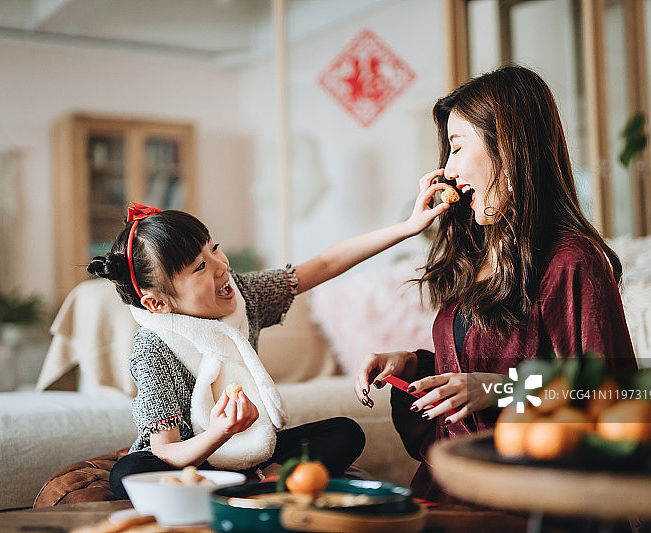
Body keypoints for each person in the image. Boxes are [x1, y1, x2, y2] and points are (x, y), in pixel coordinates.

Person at [354, 65, 638, 500]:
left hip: (527, 498)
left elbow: (611, 397)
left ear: (506, 148)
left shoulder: (573, 262)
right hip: (453, 488)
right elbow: (484, 367)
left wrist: (497, 389)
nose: (447, 169)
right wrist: (414, 366)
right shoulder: (480, 255)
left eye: (456, 147)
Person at [90, 193, 448, 499]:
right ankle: (260, 483)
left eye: (214, 249)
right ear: (158, 304)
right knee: (128, 475)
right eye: (200, 267)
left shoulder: (245, 296)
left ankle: (260, 478)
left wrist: (408, 228)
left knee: (345, 432)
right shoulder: (153, 346)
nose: (221, 267)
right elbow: (166, 450)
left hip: (252, 451)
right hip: (189, 455)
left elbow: (324, 264)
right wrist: (219, 432)